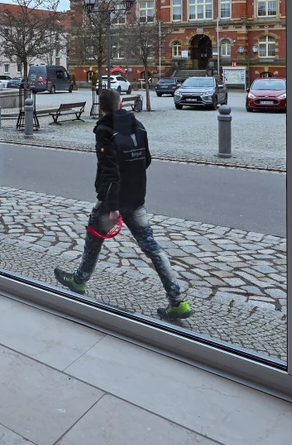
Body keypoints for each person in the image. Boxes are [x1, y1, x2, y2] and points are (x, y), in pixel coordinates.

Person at [54, 88, 193, 319]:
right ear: (120, 105)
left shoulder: (104, 130)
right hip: (137, 198)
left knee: (94, 238)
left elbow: (109, 169)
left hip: (112, 201)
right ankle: (177, 300)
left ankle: (79, 280)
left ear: (101, 107)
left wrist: (113, 206)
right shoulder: (139, 126)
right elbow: (146, 159)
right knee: (153, 249)